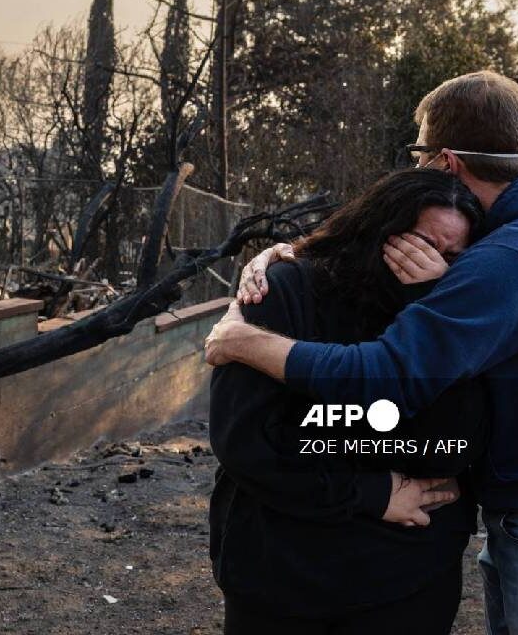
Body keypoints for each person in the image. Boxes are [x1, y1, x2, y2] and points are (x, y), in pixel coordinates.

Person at [205, 70, 518, 635]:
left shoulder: (516, 255)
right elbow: (368, 235)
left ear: (446, 161)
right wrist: (290, 253)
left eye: (419, 155)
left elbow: (386, 378)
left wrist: (248, 341)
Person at [209, 168, 489, 635]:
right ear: (380, 228)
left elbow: (454, 440)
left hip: (405, 579)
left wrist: (432, 307)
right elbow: (248, 440)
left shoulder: (455, 315)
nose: (430, 262)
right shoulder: (284, 290)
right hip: (281, 575)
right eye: (419, 244)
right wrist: (372, 492)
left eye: (451, 256)